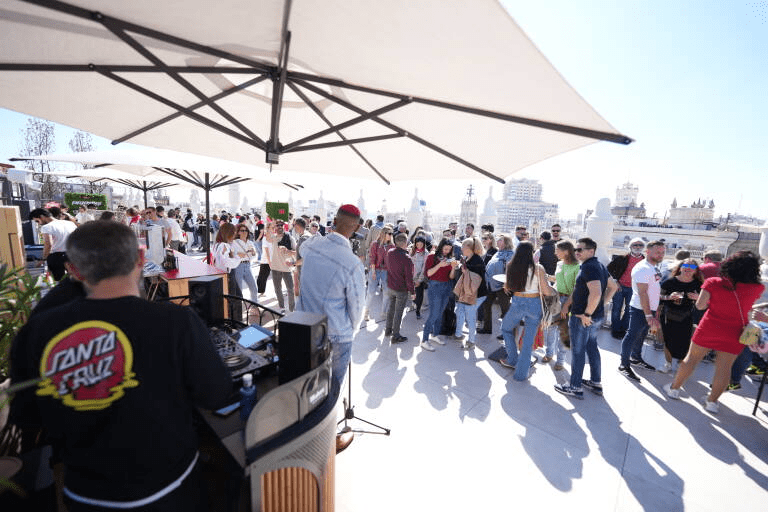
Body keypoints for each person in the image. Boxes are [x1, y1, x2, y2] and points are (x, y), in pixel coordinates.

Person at [10, 221, 231, 510]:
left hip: (84, 493)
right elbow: (217, 394)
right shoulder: (177, 323)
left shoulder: (37, 331)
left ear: (73, 270)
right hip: (170, 488)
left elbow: (26, 417)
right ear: (141, 259)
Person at [297, 204, 365, 453]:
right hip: (336, 334)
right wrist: (352, 331)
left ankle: (302, 430)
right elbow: (357, 307)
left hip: (303, 326)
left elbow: (302, 246)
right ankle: (325, 440)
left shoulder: (312, 245)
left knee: (307, 382)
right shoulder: (352, 263)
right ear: (357, 227)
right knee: (331, 389)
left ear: (334, 220)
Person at [664, 251, 765, 413]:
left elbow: (700, 306)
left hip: (710, 327)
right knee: (724, 368)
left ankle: (674, 389)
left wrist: (708, 299)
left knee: (691, 360)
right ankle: (712, 402)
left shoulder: (713, 282)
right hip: (735, 331)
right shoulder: (757, 287)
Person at [554, 237, 617, 398]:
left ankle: (575, 386)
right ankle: (595, 382)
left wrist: (588, 313)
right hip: (594, 317)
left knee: (578, 351)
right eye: (576, 250)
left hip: (583, 317)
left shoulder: (589, 267)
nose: (577, 252)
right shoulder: (599, 265)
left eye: (580, 249)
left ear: (591, 251)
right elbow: (613, 287)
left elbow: (595, 293)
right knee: (591, 347)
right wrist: (596, 307)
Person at [499, 241, 556, 381]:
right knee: (528, 341)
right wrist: (554, 291)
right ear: (531, 253)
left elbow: (509, 286)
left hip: (518, 302)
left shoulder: (511, 265)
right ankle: (520, 374)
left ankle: (512, 359)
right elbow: (546, 291)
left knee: (506, 329)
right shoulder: (538, 268)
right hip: (534, 303)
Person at [617, 240, 666, 382]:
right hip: (640, 308)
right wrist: (649, 315)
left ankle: (635, 358)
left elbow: (653, 290)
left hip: (649, 308)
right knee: (632, 335)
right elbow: (643, 293)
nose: (661, 254)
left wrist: (655, 308)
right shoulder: (643, 268)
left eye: (663, 252)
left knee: (642, 334)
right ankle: (623, 365)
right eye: (658, 252)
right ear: (648, 252)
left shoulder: (653, 267)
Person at [657, 259, 702, 374]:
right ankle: (668, 363)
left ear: (695, 270)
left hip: (687, 317)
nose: (688, 269)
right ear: (680, 267)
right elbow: (658, 297)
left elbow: (708, 302)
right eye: (686, 265)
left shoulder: (698, 284)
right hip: (668, 315)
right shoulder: (669, 282)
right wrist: (669, 297)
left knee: (685, 343)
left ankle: (680, 365)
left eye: (692, 267)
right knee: (667, 341)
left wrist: (698, 298)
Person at [544, 240, 580, 371]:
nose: (555, 253)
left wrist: (566, 306)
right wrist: (546, 277)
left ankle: (560, 360)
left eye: (557, 250)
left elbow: (576, 289)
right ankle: (549, 353)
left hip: (568, 300)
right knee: (551, 328)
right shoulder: (559, 263)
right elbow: (558, 279)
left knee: (564, 331)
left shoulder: (578, 267)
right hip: (555, 297)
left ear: (566, 251)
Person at [450, 237, 488, 350]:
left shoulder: (476, 261)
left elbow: (475, 279)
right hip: (469, 292)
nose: (461, 248)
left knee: (470, 316)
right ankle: (458, 334)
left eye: (463, 246)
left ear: (469, 248)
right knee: (460, 311)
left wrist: (465, 270)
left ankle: (471, 341)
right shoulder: (470, 258)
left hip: (476, 294)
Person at [607, 238, 646, 339]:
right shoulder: (622, 258)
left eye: (640, 245)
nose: (637, 247)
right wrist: (615, 282)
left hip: (634, 290)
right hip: (620, 287)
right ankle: (615, 329)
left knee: (629, 311)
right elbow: (608, 269)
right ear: (630, 247)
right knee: (616, 309)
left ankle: (623, 330)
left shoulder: (645, 261)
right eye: (635, 245)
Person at [420, 239, 456, 348]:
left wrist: (454, 267)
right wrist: (440, 265)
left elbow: (451, 277)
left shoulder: (450, 258)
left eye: (449, 249)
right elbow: (428, 273)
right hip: (434, 286)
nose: (447, 251)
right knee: (433, 314)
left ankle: (435, 335)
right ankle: (424, 340)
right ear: (441, 247)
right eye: (445, 249)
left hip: (446, 286)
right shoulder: (432, 257)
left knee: (440, 313)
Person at [479, 234, 514, 336]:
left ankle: (506, 333)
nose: (497, 242)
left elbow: (510, 269)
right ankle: (487, 328)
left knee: (505, 309)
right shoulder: (498, 253)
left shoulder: (511, 254)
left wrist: (506, 284)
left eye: (500, 240)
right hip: (491, 285)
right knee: (486, 305)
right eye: (498, 240)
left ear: (506, 242)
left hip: (502, 286)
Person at [383, 233, 415, 345]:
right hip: (401, 289)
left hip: (391, 286)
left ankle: (388, 330)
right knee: (398, 313)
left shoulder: (390, 252)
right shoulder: (407, 258)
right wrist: (413, 292)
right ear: (405, 243)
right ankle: (395, 335)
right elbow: (409, 278)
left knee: (391, 310)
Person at [29, 208, 77, 281]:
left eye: (37, 221)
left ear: (42, 217)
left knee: (59, 281)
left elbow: (48, 244)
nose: (38, 223)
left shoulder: (47, 227)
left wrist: (43, 259)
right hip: (72, 255)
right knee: (74, 279)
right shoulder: (70, 223)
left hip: (56, 257)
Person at [264, 220, 296, 313]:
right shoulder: (274, 238)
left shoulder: (290, 238)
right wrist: (270, 226)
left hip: (287, 268)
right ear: (275, 228)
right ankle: (282, 307)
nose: (279, 227)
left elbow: (296, 252)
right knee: (278, 289)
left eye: (281, 225)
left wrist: (288, 251)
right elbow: (267, 238)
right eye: (277, 225)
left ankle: (292, 309)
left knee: (290, 289)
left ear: (283, 226)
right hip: (275, 268)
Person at [231, 224, 259, 300]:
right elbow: (231, 255)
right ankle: (238, 308)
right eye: (242, 230)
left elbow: (254, 256)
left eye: (246, 230)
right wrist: (238, 254)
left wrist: (252, 253)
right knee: (239, 290)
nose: (244, 232)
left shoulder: (250, 243)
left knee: (254, 288)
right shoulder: (234, 242)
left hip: (248, 265)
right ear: (238, 232)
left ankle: (254, 307)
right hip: (238, 266)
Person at [410, 236, 429, 320]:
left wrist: (419, 280)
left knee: (420, 295)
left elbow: (424, 268)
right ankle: (414, 303)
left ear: (424, 244)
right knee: (412, 293)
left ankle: (418, 311)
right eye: (417, 244)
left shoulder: (426, 253)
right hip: (411, 277)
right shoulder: (412, 251)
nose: (419, 246)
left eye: (421, 244)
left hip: (420, 278)